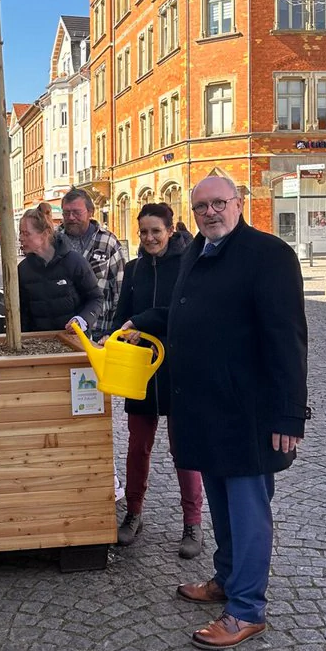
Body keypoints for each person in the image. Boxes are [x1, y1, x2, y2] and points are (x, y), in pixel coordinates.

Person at [125, 174, 308, 649]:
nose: (210, 212)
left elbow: (288, 340)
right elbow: (178, 312)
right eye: (201, 205)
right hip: (205, 408)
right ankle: (226, 579)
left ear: (238, 203)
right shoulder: (196, 254)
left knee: (248, 512)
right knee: (223, 509)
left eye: (219, 203)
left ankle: (247, 609)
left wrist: (289, 415)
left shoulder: (268, 256)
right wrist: (138, 324)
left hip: (248, 411)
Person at [111, 203, 204, 559]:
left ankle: (192, 522)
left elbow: (187, 314)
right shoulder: (133, 270)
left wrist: (142, 322)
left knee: (184, 448)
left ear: (170, 230)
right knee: (138, 446)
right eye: (144, 232)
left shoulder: (187, 265)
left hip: (178, 367)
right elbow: (123, 316)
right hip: (141, 370)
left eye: (156, 231)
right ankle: (134, 513)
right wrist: (124, 331)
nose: (150, 238)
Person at [18, 203, 103, 333]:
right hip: (38, 344)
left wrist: (82, 320)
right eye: (20, 233)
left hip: (74, 339)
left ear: (44, 234)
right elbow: (22, 313)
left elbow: (96, 298)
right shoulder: (23, 269)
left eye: (26, 234)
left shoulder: (74, 262)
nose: (21, 238)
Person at [59, 188, 126, 341]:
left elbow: (120, 288)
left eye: (76, 212)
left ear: (90, 212)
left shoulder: (108, 242)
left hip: (99, 329)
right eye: (66, 213)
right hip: (63, 330)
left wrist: (116, 329)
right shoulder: (55, 243)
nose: (71, 218)